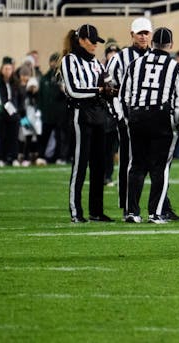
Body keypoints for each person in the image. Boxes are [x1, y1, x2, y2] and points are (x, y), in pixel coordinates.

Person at [104, 17, 179, 219]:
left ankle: (158, 207)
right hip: (136, 116)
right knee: (138, 165)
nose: (143, 36)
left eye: (147, 33)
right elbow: (112, 91)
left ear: (152, 37)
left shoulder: (142, 60)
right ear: (132, 35)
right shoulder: (121, 59)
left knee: (144, 165)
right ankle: (134, 208)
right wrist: (121, 117)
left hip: (138, 117)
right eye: (140, 33)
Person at [120, 27, 179, 224]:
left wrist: (129, 118)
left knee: (136, 166)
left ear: (152, 44)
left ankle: (132, 212)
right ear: (171, 45)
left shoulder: (135, 63)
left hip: (137, 117)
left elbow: (124, 95)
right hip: (161, 118)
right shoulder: (175, 67)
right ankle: (155, 213)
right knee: (160, 168)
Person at [62, 24, 116, 223]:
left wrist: (112, 90)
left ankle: (96, 211)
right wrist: (99, 91)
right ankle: (76, 212)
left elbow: (108, 83)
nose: (95, 45)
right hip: (81, 115)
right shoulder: (69, 60)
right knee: (80, 165)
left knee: (99, 166)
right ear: (82, 40)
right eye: (93, 41)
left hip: (99, 115)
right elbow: (74, 90)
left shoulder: (96, 63)